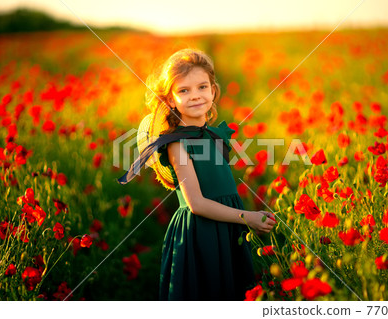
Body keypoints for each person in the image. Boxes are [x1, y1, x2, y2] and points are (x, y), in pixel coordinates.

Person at [116, 48, 276, 301]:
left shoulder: (213, 135)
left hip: (229, 225)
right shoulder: (177, 143)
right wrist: (248, 217)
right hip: (202, 232)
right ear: (170, 100)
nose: (196, 96)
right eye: (184, 91)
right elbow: (197, 203)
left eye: (202, 87)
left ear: (213, 90)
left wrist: (248, 219)